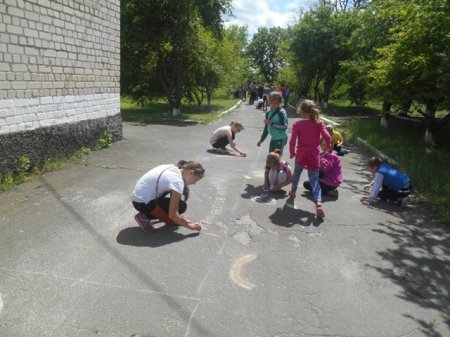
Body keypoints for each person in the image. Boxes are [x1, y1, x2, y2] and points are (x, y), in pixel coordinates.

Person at [132, 160, 205, 233]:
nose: (194, 183)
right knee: (181, 207)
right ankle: (144, 216)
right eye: (195, 180)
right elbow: (173, 215)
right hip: (141, 204)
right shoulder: (177, 182)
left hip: (138, 197)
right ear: (191, 173)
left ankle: (157, 213)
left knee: (178, 205)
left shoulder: (173, 168)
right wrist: (191, 226)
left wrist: (178, 217)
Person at [289, 99, 331, 218]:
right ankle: (318, 203)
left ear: (301, 111)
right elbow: (327, 136)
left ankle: (293, 193)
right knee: (314, 179)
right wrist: (327, 147)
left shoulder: (297, 125)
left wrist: (292, 152)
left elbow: (292, 141)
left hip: (301, 154)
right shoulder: (319, 123)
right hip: (314, 155)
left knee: (296, 174)